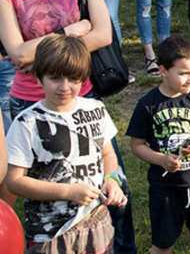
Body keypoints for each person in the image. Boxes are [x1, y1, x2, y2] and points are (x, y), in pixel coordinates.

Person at [5, 35, 127, 252]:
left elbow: (107, 154)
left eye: (73, 79)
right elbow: (15, 182)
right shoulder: (26, 123)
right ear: (38, 77)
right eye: (55, 78)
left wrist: (111, 180)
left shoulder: (94, 109)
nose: (64, 87)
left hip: (96, 221)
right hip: (51, 232)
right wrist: (67, 192)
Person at [126, 36, 190, 254]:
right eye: (184, 73)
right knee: (163, 243)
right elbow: (137, 145)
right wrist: (161, 160)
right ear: (163, 70)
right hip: (166, 188)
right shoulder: (148, 104)